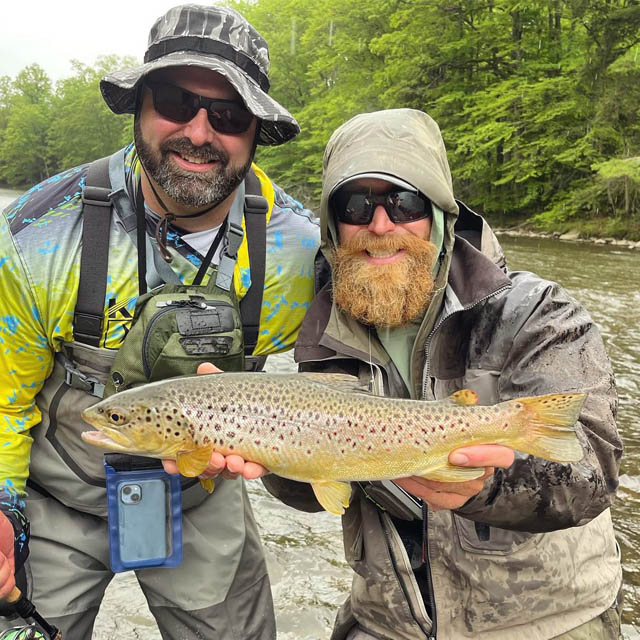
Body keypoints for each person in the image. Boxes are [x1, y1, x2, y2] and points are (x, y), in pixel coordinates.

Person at [0, 4, 319, 639]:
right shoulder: (36, 237)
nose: (199, 132)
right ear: (140, 107)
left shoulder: (302, 253)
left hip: (204, 497)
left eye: (228, 116)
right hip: (55, 494)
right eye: (176, 102)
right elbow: (3, 403)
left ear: (256, 132)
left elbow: (359, 365)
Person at [262, 109, 624, 640]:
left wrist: (485, 484)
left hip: (544, 621)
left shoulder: (536, 311)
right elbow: (319, 490)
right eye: (355, 205)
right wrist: (264, 454)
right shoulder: (323, 334)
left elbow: (593, 471)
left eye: (403, 202)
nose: (379, 225)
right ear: (333, 226)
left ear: (439, 215)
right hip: (386, 621)